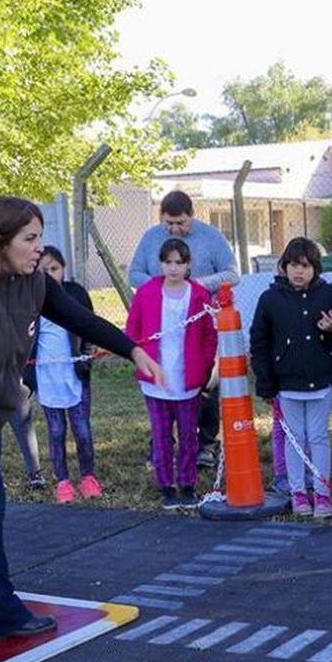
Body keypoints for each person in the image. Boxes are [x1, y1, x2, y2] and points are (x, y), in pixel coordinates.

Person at [0, 195, 165, 640]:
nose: (38, 248)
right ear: (0, 240)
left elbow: (82, 320)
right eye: (29, 239)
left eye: (40, 238)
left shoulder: (35, 284)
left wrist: (134, 350)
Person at [127, 190, 239, 470]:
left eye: (181, 222)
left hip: (200, 322)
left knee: (206, 382)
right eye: (169, 223)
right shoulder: (152, 237)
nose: (174, 229)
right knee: (161, 382)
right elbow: (134, 274)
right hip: (163, 324)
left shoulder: (211, 237)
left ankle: (207, 444)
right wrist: (163, 285)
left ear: (192, 216)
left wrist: (195, 286)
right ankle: (162, 442)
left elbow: (232, 273)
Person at [250, 237, 332, 518]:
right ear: (284, 266)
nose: (298, 271)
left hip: (320, 382)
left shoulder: (331, 295)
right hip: (286, 383)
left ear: (315, 268)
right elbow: (259, 342)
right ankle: (297, 492)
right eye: (293, 264)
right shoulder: (270, 299)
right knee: (294, 438)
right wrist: (266, 382)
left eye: (305, 266)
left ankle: (322, 492)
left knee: (318, 437)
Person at [125, 238, 218, 509]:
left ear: (188, 265)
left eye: (179, 262)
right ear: (161, 264)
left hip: (187, 379)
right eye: (168, 262)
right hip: (156, 381)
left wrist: (203, 368)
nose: (174, 268)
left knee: (189, 434)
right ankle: (166, 485)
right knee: (162, 434)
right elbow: (133, 328)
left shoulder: (200, 295)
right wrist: (140, 359)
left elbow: (209, 338)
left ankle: (187, 484)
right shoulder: (146, 292)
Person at [24, 246, 101, 504]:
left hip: (75, 373)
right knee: (56, 431)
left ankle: (88, 477)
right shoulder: (29, 300)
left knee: (81, 429)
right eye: (43, 270)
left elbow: (90, 326)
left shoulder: (75, 295)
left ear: (64, 269)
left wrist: (88, 354)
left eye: (54, 269)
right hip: (47, 376)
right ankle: (63, 481)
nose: (49, 275)